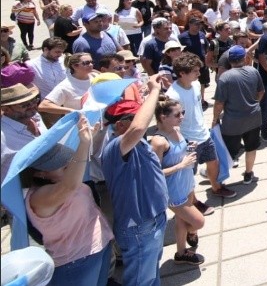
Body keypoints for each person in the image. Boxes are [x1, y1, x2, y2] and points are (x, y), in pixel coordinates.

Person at [21, 116, 114, 286]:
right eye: (64, 165)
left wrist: (89, 139)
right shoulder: (40, 197)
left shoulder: (62, 180)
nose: (70, 165)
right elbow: (71, 186)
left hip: (98, 249)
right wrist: (84, 143)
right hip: (76, 262)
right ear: (40, 173)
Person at [100, 75, 168, 286]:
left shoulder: (139, 143)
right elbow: (137, 128)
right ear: (120, 125)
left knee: (150, 274)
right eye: (137, 115)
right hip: (139, 226)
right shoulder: (115, 147)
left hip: (154, 218)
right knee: (141, 280)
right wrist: (154, 91)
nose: (145, 119)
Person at [166, 52, 236, 200]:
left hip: (204, 133)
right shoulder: (173, 95)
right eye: (195, 71)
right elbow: (171, 123)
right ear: (182, 73)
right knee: (189, 173)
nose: (199, 73)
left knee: (214, 162)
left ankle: (216, 188)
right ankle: (193, 201)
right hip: (188, 140)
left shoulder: (196, 85)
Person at [150, 99, 205, 265]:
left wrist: (189, 147)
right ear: (163, 117)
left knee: (181, 220)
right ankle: (192, 232)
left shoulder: (176, 129)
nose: (181, 117)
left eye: (183, 113)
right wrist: (181, 165)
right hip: (173, 192)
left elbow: (178, 153)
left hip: (186, 184)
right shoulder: (159, 142)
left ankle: (181, 252)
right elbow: (154, 173)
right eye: (177, 114)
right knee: (198, 221)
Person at [212, 45, 264, 185]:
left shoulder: (225, 77)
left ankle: (220, 179)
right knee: (251, 147)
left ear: (229, 60)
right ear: (244, 58)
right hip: (254, 118)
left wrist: (215, 119)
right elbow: (261, 92)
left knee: (226, 152)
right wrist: (254, 104)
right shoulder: (254, 71)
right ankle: (248, 174)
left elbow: (219, 103)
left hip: (232, 122)